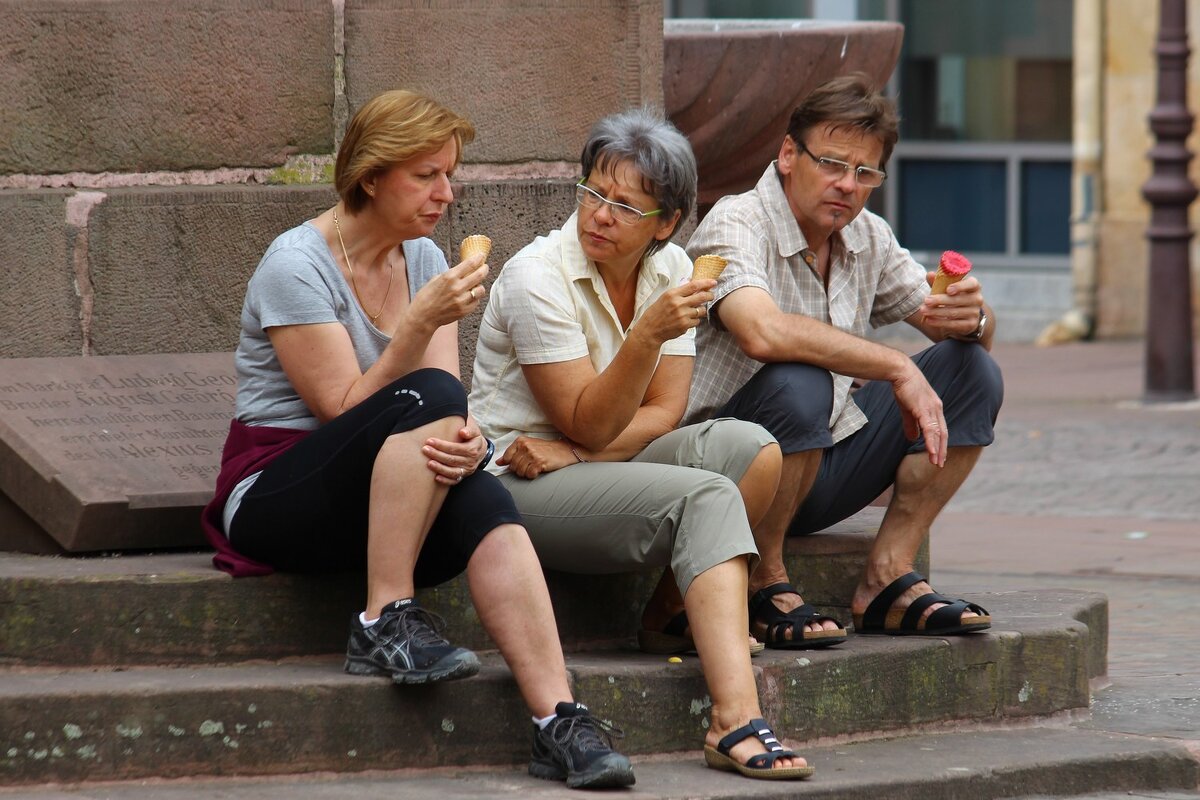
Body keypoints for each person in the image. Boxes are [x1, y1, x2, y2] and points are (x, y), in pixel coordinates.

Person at [200, 89, 634, 790]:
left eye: (450, 173)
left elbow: (441, 407)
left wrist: (467, 445)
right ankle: (382, 619)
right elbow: (344, 408)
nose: (446, 193)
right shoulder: (295, 265)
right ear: (371, 177)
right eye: (426, 175)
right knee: (430, 398)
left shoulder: (426, 260)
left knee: (484, 497)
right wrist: (416, 326)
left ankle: (560, 721)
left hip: (382, 499)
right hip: (274, 495)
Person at [469, 107, 819, 781]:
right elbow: (586, 419)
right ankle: (735, 720)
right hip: (515, 485)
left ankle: (668, 615)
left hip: (578, 461)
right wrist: (643, 338)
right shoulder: (535, 275)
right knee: (711, 494)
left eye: (624, 207)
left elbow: (664, 412)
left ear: (665, 223)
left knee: (753, 450)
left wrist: (576, 453)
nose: (599, 215)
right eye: (593, 193)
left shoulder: (675, 268)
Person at [683, 73, 1003, 646]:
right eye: (831, 164)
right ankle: (763, 578)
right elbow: (761, 331)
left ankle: (888, 579)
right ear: (787, 154)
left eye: (865, 173)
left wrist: (974, 317)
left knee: (972, 369)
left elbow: (942, 319)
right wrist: (898, 367)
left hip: (819, 461)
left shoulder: (867, 236)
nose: (847, 186)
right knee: (800, 379)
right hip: (723, 475)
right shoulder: (737, 222)